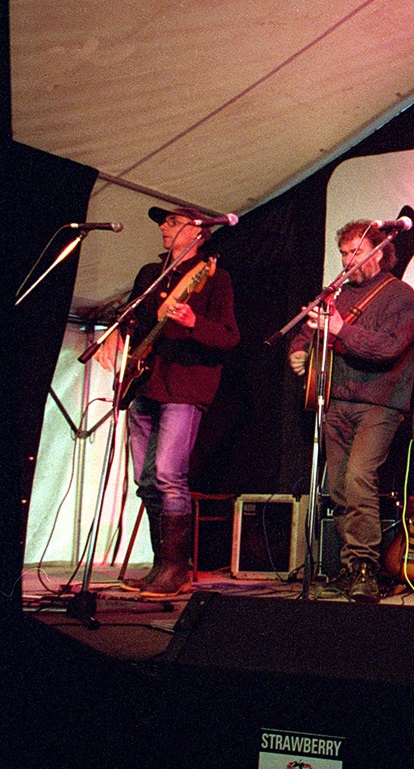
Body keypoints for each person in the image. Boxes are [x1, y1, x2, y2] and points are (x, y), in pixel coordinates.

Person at [96, 206, 239, 598]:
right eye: (164, 222)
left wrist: (193, 323)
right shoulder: (150, 274)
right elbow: (133, 318)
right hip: (144, 384)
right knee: (145, 482)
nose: (163, 226)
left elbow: (229, 337)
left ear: (196, 231)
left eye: (172, 222)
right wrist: (116, 334)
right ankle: (161, 565)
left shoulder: (214, 276)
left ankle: (177, 569)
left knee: (167, 475)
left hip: (185, 386)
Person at [289, 220, 414, 603]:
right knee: (338, 486)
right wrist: (299, 351)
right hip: (336, 400)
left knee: (360, 477)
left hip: (379, 403)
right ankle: (350, 567)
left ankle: (365, 567)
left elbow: (388, 348)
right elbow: (307, 332)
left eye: (356, 252)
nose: (348, 260)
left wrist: (341, 330)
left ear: (379, 252)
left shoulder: (400, 295)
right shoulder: (337, 295)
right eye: (344, 253)